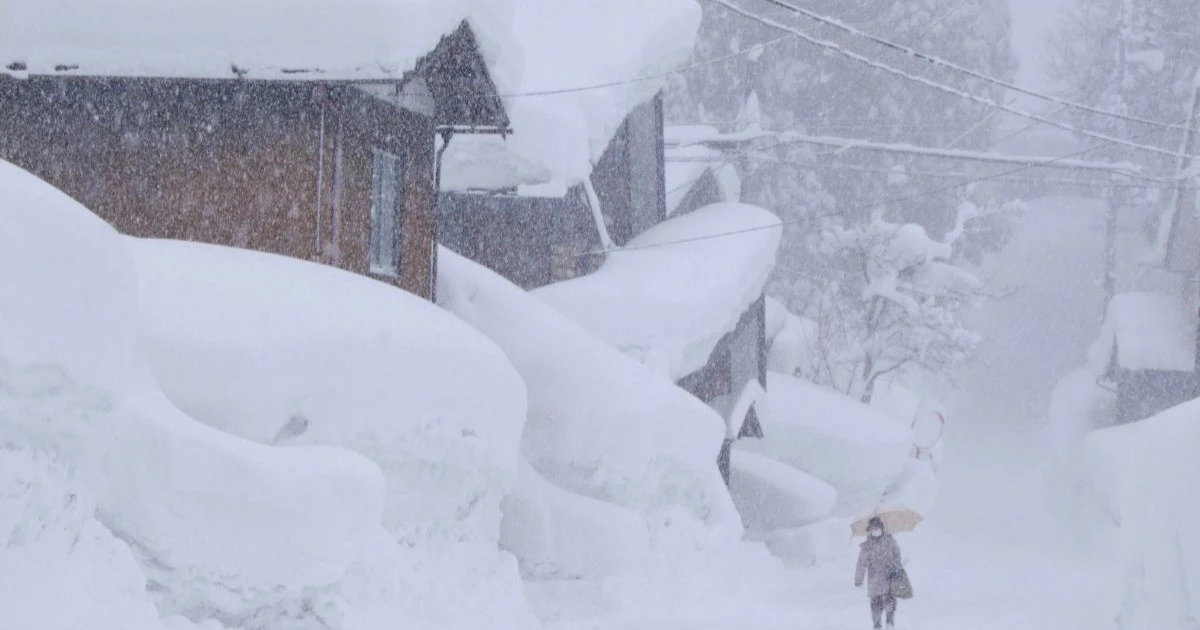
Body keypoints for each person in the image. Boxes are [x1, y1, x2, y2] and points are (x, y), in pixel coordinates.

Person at [854, 516, 903, 629]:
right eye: (873, 528)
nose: (876, 530)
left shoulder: (890, 541)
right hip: (874, 583)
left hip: (889, 579)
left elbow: (897, 555)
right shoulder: (866, 547)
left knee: (890, 604)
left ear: (882, 528)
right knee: (875, 607)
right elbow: (861, 564)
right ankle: (877, 625)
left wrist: (897, 568)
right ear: (869, 530)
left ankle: (890, 623)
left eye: (878, 528)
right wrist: (858, 579)